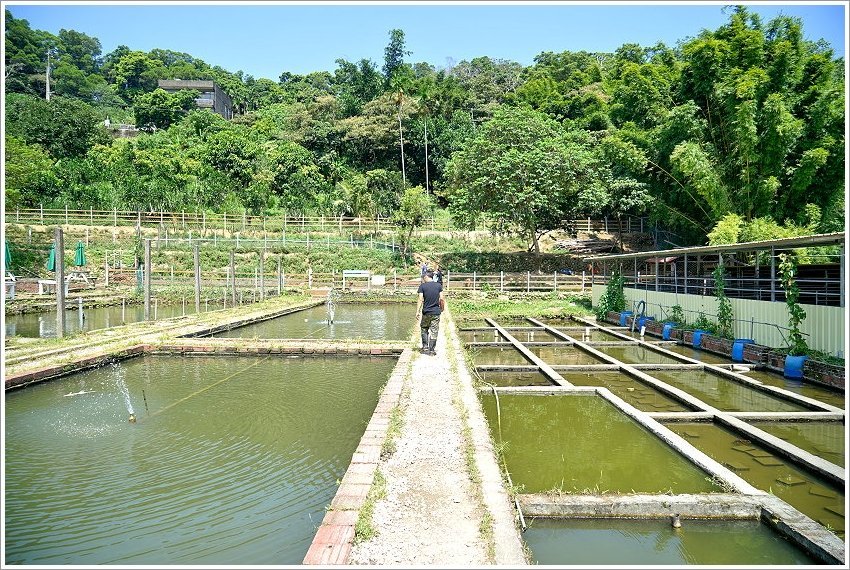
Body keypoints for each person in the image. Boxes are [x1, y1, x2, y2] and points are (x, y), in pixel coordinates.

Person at [416, 269, 444, 355]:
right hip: (436, 312)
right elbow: (442, 299)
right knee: (434, 331)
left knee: (424, 328)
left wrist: (417, 311)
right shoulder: (439, 285)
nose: (423, 279)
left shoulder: (422, 286)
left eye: (423, 278)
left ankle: (425, 347)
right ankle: (431, 350)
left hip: (426, 312)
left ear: (426, 277)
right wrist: (442, 308)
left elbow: (420, 299)